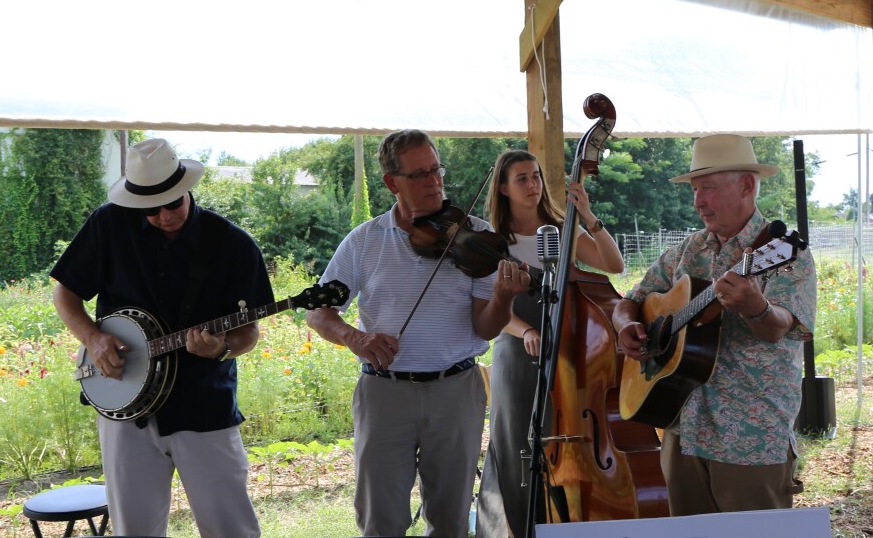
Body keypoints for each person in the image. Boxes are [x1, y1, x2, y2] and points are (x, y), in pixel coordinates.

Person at [305, 129, 530, 537]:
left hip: (456, 388)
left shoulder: (475, 236)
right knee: (380, 517)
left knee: (451, 517)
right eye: (420, 174)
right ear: (392, 183)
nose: (434, 182)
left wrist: (503, 299)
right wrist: (356, 338)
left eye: (436, 170)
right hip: (384, 393)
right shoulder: (364, 241)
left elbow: (486, 326)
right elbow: (318, 314)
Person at [51, 138, 273, 537]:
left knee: (230, 528)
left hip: (203, 407)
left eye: (172, 203)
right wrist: (94, 339)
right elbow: (64, 292)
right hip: (125, 408)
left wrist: (223, 347)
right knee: (134, 530)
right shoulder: (109, 224)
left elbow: (248, 331)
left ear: (186, 188)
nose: (163, 215)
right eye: (149, 209)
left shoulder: (231, 244)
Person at [611, 133, 816, 515]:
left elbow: (780, 328)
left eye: (707, 188)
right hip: (682, 428)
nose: (698, 201)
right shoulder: (689, 250)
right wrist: (625, 327)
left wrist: (756, 307)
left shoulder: (785, 254)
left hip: (749, 437)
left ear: (747, 185)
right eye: (694, 189)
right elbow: (631, 300)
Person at [475, 149, 624, 537]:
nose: (533, 184)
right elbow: (492, 305)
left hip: (566, 351)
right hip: (517, 350)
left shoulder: (564, 229)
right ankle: (522, 528)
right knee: (517, 445)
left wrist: (588, 216)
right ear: (504, 189)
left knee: (565, 439)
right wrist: (526, 329)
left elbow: (614, 264)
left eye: (536, 175)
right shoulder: (491, 243)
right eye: (522, 178)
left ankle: (566, 523)